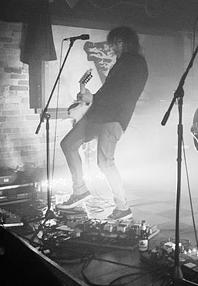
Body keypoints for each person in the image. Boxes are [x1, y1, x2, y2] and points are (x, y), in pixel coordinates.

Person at [57, 26, 148, 220]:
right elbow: (109, 90)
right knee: (68, 144)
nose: (113, 47)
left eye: (117, 42)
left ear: (127, 42)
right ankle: (80, 190)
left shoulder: (136, 62)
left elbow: (124, 93)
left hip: (115, 117)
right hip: (97, 114)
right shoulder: (120, 63)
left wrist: (93, 98)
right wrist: (90, 99)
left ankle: (123, 207)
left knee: (105, 162)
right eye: (112, 42)